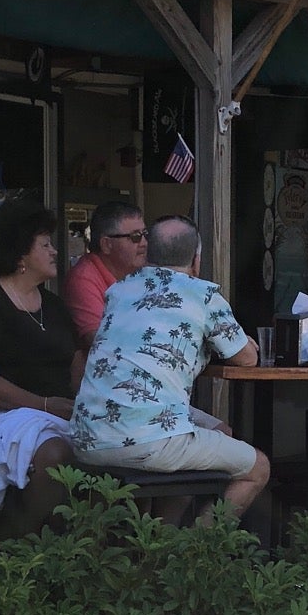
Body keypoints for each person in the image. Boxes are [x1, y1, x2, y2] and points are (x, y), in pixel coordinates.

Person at [70, 215, 269, 523]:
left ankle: (161, 541)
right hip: (147, 439)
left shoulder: (119, 291)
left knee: (220, 432)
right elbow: (245, 359)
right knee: (257, 468)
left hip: (88, 437)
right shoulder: (202, 296)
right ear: (196, 260)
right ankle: (193, 553)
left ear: (148, 254)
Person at [0, 196, 78, 535]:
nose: (55, 251)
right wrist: (45, 405)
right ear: (20, 253)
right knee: (54, 452)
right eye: (46, 244)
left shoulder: (53, 305)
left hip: (56, 413)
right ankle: (16, 540)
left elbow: (75, 364)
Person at [63, 201, 149, 355]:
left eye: (145, 234)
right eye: (135, 237)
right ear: (106, 244)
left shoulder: (142, 272)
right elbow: (100, 342)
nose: (144, 243)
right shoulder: (83, 279)